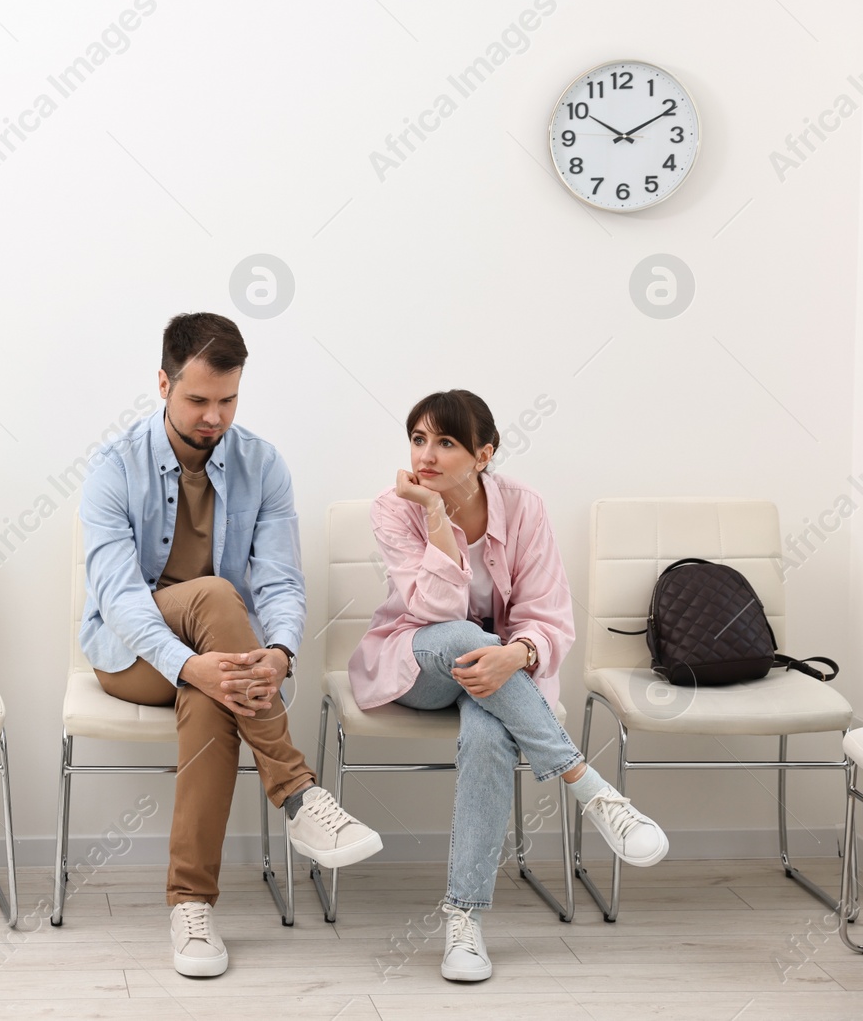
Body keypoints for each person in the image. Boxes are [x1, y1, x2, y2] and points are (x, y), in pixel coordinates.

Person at [79, 312, 381, 979]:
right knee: (216, 596)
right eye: (197, 399)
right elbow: (121, 599)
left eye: (228, 399)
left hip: (227, 658)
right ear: (162, 382)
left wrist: (276, 654)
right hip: (132, 656)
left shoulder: (263, 464)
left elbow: (280, 580)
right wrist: (190, 663)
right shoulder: (110, 467)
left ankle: (191, 906)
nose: (213, 416)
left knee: (216, 693)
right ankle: (299, 794)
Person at [348, 389, 669, 982]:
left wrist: (513, 656)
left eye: (445, 442)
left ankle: (463, 921)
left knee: (491, 741)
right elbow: (435, 609)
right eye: (418, 439)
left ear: (483, 453)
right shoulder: (395, 507)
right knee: (453, 634)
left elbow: (549, 614)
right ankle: (591, 787)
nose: (426, 454)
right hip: (417, 662)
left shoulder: (524, 506)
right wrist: (437, 515)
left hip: (505, 679)